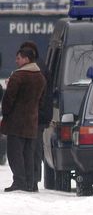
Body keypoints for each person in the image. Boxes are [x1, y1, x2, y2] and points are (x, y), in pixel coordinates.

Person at [1, 48, 46, 192]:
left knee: (15, 153)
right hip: (32, 122)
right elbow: (42, 101)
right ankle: (30, 183)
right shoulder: (40, 77)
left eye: (18, 58)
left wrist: (5, 114)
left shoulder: (18, 76)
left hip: (16, 123)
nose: (16, 60)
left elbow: (9, 100)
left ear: (26, 59)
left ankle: (19, 182)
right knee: (28, 153)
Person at [20, 41, 53, 191]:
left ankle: (32, 181)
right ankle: (33, 180)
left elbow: (38, 95)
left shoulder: (35, 69)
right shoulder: (42, 66)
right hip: (41, 114)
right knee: (35, 148)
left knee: (32, 148)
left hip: (36, 115)